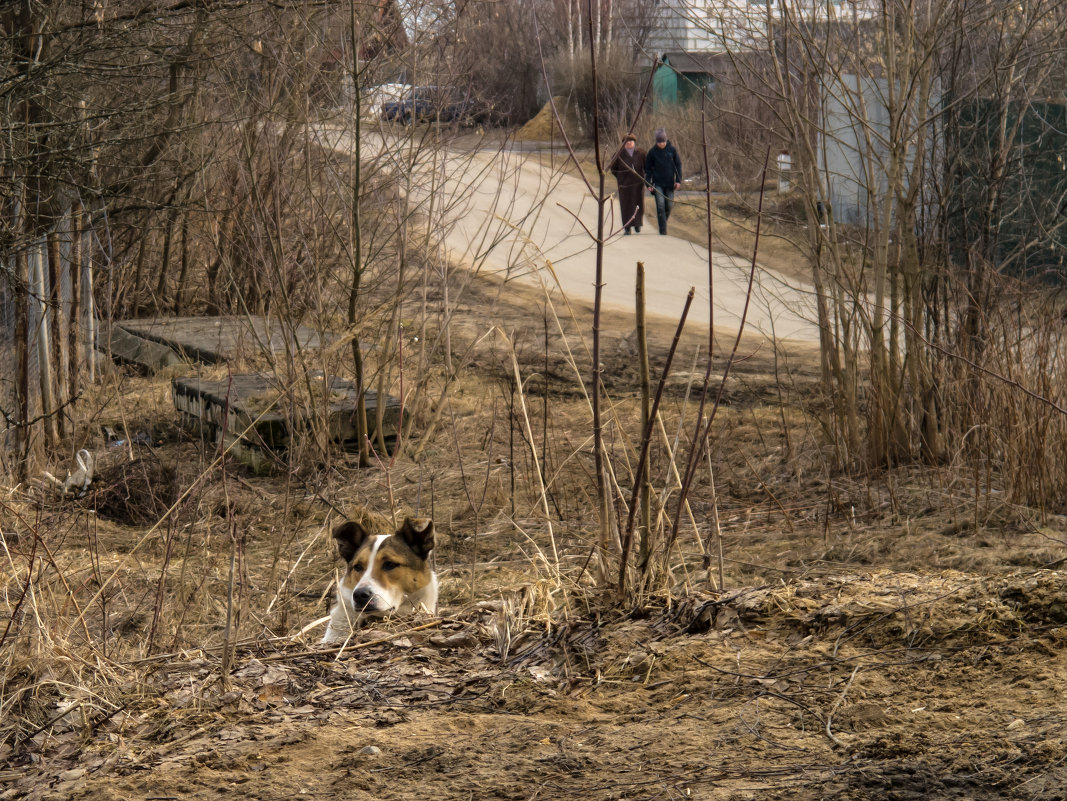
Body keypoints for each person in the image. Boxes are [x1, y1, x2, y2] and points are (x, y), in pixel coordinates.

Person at [644, 128, 682, 235]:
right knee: (660, 206)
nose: (662, 144)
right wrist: (648, 184)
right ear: (656, 142)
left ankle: (663, 221)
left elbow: (678, 165)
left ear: (666, 140)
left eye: (663, 141)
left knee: (669, 206)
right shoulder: (652, 152)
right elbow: (648, 169)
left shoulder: (672, 150)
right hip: (658, 184)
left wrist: (678, 180)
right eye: (659, 142)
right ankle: (662, 230)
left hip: (670, 184)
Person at [609, 134, 646, 234]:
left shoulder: (641, 153)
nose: (629, 142)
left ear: (634, 142)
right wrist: (621, 178)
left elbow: (647, 166)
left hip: (638, 184)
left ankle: (637, 224)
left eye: (631, 141)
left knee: (638, 205)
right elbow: (613, 168)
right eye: (627, 141)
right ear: (623, 143)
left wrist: (645, 179)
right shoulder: (619, 154)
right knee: (626, 206)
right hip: (624, 186)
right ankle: (627, 228)